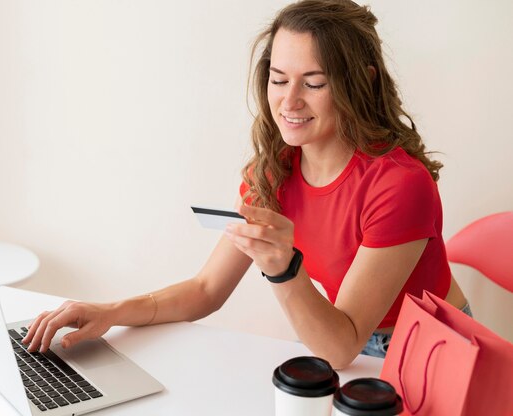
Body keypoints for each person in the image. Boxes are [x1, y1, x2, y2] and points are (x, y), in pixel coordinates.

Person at [23, 0, 470, 369]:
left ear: (361, 82)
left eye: (314, 83)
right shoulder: (276, 169)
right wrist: (110, 312)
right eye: (279, 79)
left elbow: (339, 347)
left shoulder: (398, 184)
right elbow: (205, 291)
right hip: (348, 345)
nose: (289, 101)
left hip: (426, 348)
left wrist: (283, 269)